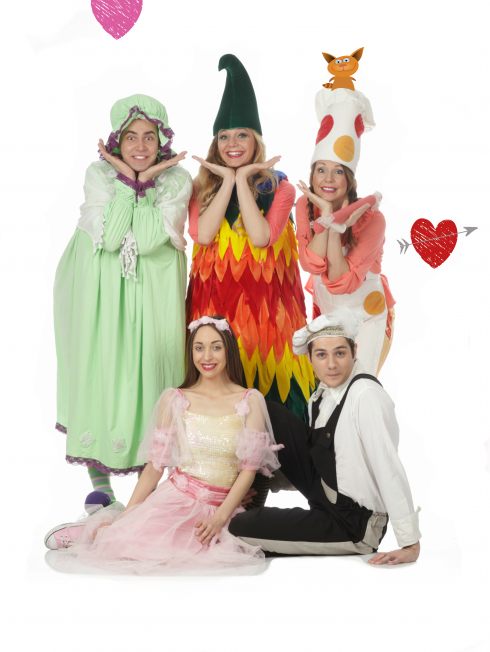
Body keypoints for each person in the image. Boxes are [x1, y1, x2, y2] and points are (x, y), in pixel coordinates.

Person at [44, 316, 282, 575]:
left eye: (216, 347)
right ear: (191, 352)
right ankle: (90, 531)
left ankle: (107, 520)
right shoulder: (175, 399)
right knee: (133, 546)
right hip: (177, 500)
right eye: (199, 348)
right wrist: (124, 522)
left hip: (222, 508)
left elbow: (248, 470)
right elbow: (154, 468)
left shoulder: (250, 400)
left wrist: (219, 518)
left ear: (229, 350)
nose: (207, 356)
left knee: (206, 557)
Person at [186, 54, 315, 505]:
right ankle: (220, 489)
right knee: (221, 395)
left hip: (268, 323)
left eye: (241, 135)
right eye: (224, 137)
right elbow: (204, 235)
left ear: (256, 139)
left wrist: (243, 180)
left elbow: (260, 238)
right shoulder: (201, 188)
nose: (232, 143)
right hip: (216, 316)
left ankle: (258, 492)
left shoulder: (280, 188)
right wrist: (224, 180)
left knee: (266, 394)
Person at [54, 94, 193, 505]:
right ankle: (101, 490)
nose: (140, 146)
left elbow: (148, 240)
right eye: (131, 137)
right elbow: (112, 237)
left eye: (150, 137)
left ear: (162, 140)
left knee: (153, 375)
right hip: (99, 288)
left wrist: (144, 185)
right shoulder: (99, 173)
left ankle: (144, 498)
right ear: (116, 139)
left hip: (153, 290)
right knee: (99, 370)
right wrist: (128, 183)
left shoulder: (176, 179)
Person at [229, 308, 421, 566]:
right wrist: (244, 484)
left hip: (353, 523)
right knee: (267, 410)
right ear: (310, 358)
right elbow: (318, 461)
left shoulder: (365, 395)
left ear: (354, 352)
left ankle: (246, 520)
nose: (331, 364)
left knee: (238, 528)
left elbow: (388, 465)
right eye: (321, 355)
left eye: (340, 353)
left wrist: (410, 542)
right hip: (323, 495)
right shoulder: (320, 397)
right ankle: (239, 497)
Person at [295, 86, 395, 376]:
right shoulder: (305, 205)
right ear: (312, 174)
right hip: (329, 313)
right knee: (329, 390)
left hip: (367, 317)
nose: (328, 179)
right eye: (321, 169)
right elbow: (312, 264)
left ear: (349, 178)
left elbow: (342, 281)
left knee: (358, 386)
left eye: (338, 171)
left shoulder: (373, 220)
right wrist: (327, 215)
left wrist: (334, 225)